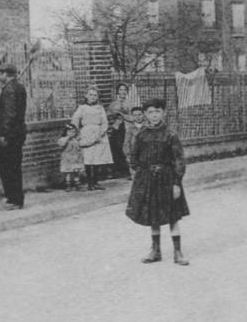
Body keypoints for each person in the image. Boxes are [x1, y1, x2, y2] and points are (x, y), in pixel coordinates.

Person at [126, 97, 190, 266]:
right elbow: (134, 157)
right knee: (153, 216)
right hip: (149, 180)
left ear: (164, 113)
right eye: (150, 112)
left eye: (157, 111)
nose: (154, 115)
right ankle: (156, 250)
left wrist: (176, 182)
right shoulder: (142, 135)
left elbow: (179, 160)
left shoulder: (170, 135)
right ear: (145, 115)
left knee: (172, 216)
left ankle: (178, 252)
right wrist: (143, 173)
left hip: (167, 179)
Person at [0, 62, 28, 210]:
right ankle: (15, 198)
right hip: (16, 134)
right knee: (13, 167)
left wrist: (2, 135)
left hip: (9, 136)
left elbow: (9, 115)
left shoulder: (10, 89)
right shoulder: (18, 86)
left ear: (6, 74)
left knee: (7, 168)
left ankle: (13, 200)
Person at [72, 86, 112, 191]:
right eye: (90, 95)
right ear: (86, 96)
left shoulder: (100, 108)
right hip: (86, 133)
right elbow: (75, 121)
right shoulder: (82, 108)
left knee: (97, 158)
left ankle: (96, 181)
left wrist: (101, 133)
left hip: (99, 134)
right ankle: (89, 182)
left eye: (95, 95)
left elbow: (105, 122)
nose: (93, 97)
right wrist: (76, 134)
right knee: (89, 158)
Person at [106, 83, 132, 179]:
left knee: (124, 147)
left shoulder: (130, 103)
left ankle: (126, 171)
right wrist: (112, 115)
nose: (123, 92)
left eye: (125, 90)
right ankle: (116, 170)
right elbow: (108, 115)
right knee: (115, 148)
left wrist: (123, 114)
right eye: (121, 90)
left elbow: (133, 117)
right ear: (117, 92)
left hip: (126, 127)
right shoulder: (114, 104)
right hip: (116, 127)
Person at [57, 123, 84, 191]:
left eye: (73, 132)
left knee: (76, 171)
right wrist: (67, 137)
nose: (72, 133)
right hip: (68, 158)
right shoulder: (64, 139)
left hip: (75, 158)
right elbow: (61, 144)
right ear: (66, 132)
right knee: (68, 172)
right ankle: (68, 185)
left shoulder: (75, 140)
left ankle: (78, 184)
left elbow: (79, 147)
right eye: (70, 132)